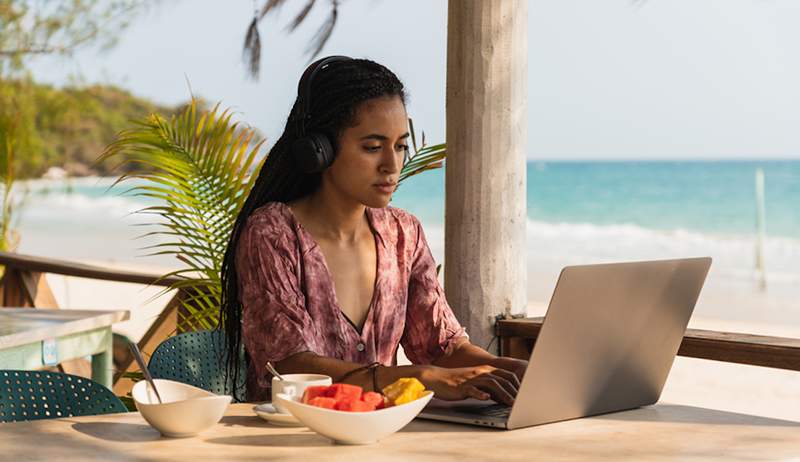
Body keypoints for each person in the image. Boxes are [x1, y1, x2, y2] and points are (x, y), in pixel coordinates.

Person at [219, 55, 527, 403]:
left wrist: (506, 368)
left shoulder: (403, 234)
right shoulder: (273, 233)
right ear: (319, 150)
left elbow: (440, 347)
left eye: (400, 146)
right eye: (372, 147)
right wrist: (418, 376)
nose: (391, 165)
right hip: (291, 440)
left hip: (382, 439)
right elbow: (290, 365)